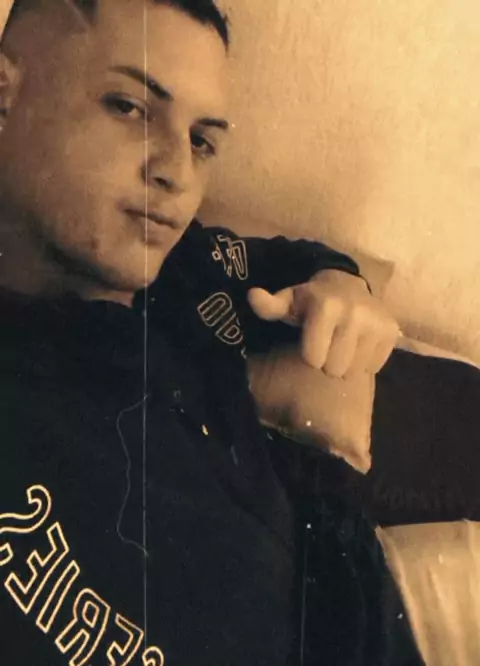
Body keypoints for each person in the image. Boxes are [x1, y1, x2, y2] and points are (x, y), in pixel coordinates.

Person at [0, 1, 424, 664]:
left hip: (353, 592)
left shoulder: (187, 262)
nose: (177, 171)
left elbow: (297, 259)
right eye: (130, 107)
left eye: (202, 140)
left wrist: (343, 285)